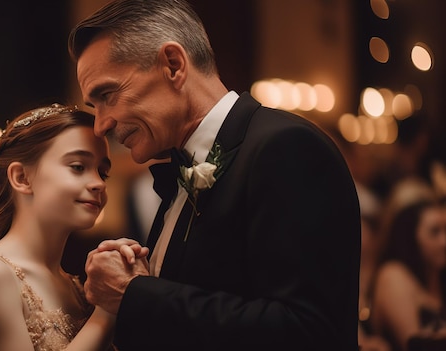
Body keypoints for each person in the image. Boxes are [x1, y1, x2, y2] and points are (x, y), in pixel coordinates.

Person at [68, 0, 362, 350]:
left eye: (107, 95)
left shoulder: (287, 147)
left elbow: (308, 332)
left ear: (173, 65)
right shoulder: (180, 167)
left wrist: (135, 293)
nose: (101, 125)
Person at [0, 104, 147, 351]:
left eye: (102, 172)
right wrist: (107, 310)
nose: (98, 183)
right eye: (78, 167)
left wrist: (124, 275)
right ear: (22, 178)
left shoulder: (73, 284)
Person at [369, 197, 446, 351]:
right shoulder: (393, 274)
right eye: (434, 232)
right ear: (411, 236)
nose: (444, 241)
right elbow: (413, 344)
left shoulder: (439, 276)